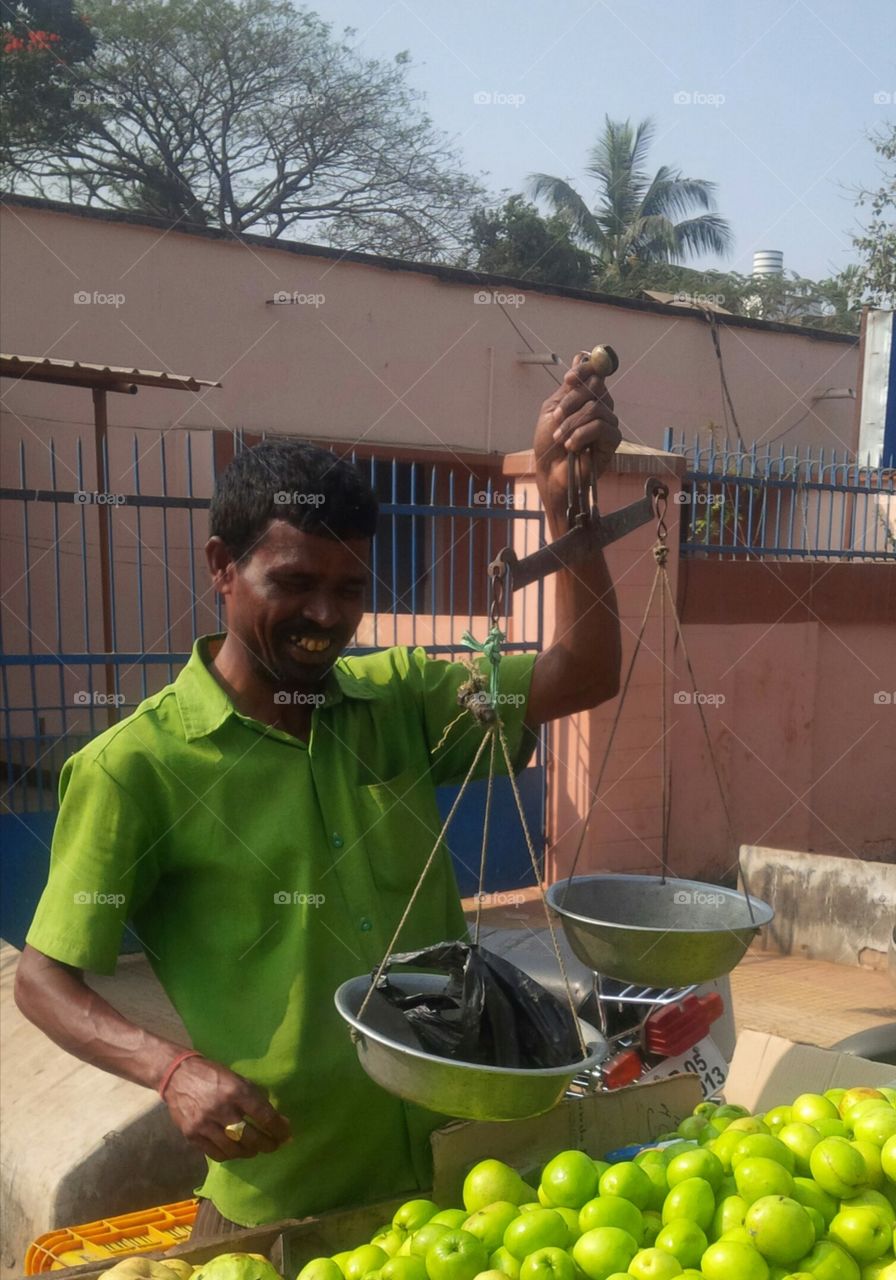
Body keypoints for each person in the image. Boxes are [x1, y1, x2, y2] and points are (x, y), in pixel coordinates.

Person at [14, 351, 623, 1231]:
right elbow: (41, 978)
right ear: (223, 566)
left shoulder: (404, 699)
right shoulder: (136, 767)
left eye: (350, 589)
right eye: (294, 583)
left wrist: (570, 509)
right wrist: (171, 1070)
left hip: (461, 1180)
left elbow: (586, 673)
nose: (327, 617)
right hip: (281, 1204)